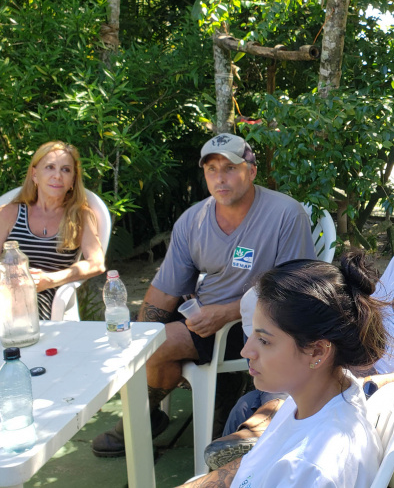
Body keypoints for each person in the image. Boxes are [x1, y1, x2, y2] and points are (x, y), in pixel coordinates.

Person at [205, 159, 394, 467]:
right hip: (363, 374)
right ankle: (258, 432)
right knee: (251, 400)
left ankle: (262, 433)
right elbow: (375, 316)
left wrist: (380, 384)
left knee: (285, 426)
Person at [91, 133, 316, 458]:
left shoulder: (285, 215)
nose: (220, 178)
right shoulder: (193, 219)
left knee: (160, 346)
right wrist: (138, 336)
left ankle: (142, 419)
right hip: (199, 315)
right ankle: (151, 415)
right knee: (144, 342)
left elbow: (295, 291)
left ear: (251, 171)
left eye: (230, 168)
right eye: (212, 169)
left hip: (257, 322)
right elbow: (165, 289)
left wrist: (226, 313)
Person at [182, 254, 389, 488]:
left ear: (317, 352)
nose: (245, 351)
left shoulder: (313, 468)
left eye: (264, 341)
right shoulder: (314, 399)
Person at [0, 141, 105, 320]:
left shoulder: (80, 216)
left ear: (73, 180)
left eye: (66, 170)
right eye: (49, 167)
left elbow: (97, 264)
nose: (57, 175)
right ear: (34, 174)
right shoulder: (10, 212)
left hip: (45, 297)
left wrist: (50, 280)